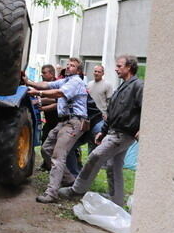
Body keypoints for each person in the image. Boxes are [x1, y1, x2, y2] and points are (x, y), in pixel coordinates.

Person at [59, 55, 144, 207]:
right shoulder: (122, 87)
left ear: (129, 67)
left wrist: (141, 129)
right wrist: (103, 132)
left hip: (123, 134)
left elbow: (146, 109)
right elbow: (112, 112)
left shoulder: (138, 86)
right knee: (113, 165)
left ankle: (76, 190)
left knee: (95, 156)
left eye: (119, 66)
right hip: (114, 131)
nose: (116, 69)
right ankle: (117, 200)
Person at [26, 57, 89, 204]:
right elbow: (47, 84)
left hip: (74, 122)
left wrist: (38, 94)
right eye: (68, 65)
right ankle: (70, 181)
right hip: (64, 122)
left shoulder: (76, 82)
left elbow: (59, 93)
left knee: (58, 156)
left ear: (78, 71)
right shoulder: (66, 80)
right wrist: (29, 82)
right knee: (46, 149)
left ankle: (51, 193)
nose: (68, 67)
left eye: (72, 66)